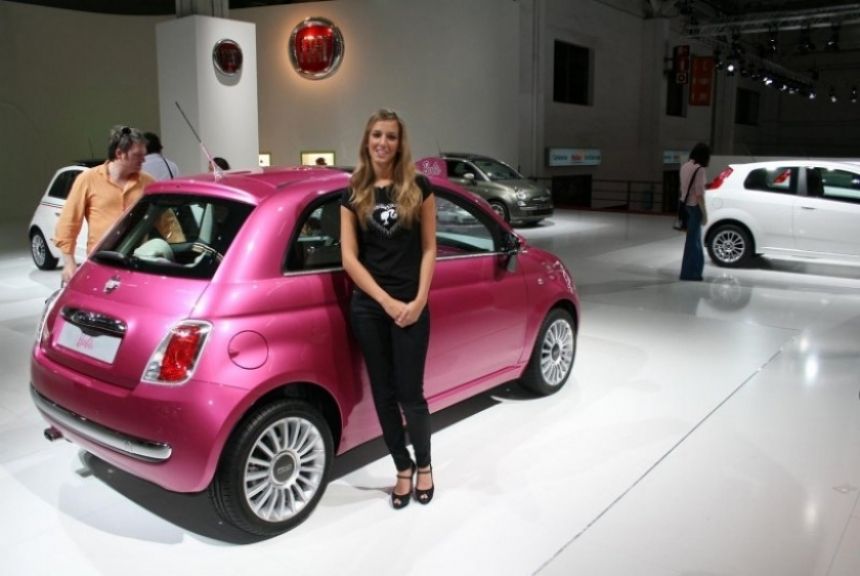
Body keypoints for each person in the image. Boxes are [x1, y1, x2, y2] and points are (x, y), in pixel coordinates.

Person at [340, 109, 437, 509]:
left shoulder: (419, 187)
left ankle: (425, 466)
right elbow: (349, 258)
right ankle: (401, 467)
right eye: (377, 135)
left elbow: (431, 248)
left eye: (391, 136)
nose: (383, 142)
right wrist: (385, 301)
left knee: (410, 395)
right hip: (371, 309)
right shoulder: (352, 191)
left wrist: (418, 301)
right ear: (367, 140)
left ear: (400, 143)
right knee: (382, 394)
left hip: (413, 306)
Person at [54, 125, 185, 285]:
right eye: (138, 155)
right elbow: (68, 224)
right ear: (119, 154)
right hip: (101, 264)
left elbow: (167, 222)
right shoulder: (87, 180)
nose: (144, 160)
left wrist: (181, 253)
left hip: (138, 265)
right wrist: (69, 263)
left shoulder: (147, 182)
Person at [679, 142, 711, 281]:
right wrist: (705, 214)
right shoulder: (699, 170)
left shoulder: (685, 166)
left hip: (686, 206)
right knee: (694, 242)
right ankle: (691, 273)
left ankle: (691, 273)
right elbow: (699, 195)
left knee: (692, 241)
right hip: (695, 207)